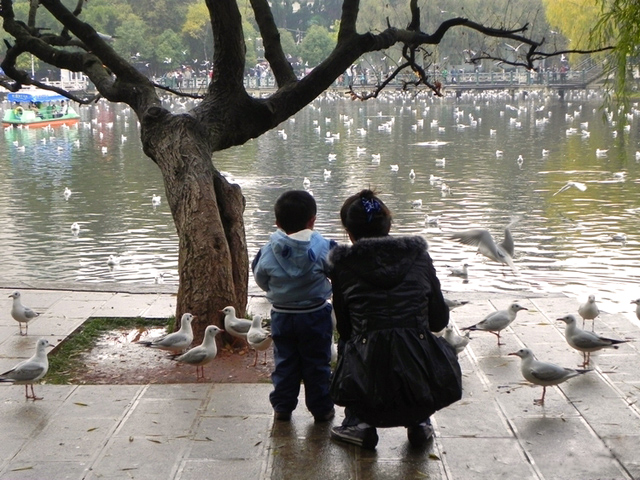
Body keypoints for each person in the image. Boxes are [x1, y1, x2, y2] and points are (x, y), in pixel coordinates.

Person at [328, 189, 461, 450]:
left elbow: (344, 329)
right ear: (389, 225)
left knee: (350, 343)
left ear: (349, 233)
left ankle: (360, 423)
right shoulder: (419, 257)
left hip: (369, 374)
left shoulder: (343, 266)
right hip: (417, 366)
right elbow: (438, 320)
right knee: (418, 339)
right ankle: (420, 421)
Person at [252, 190, 336, 423]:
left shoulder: (267, 250)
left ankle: (282, 407)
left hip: (283, 317)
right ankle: (321, 409)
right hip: (316, 315)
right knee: (318, 363)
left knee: (285, 362)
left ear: (277, 222)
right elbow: (337, 273)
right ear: (313, 220)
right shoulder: (325, 247)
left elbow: (261, 279)